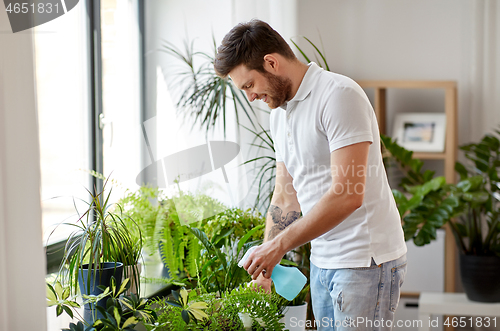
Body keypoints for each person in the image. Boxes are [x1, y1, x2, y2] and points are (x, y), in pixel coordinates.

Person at [214, 19, 407, 331]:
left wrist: (278, 247)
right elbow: (285, 195)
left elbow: (347, 195)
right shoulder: (281, 115)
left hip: (364, 262)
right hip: (323, 262)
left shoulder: (339, 96)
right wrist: (266, 264)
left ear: (271, 63)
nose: (250, 97)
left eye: (249, 85)